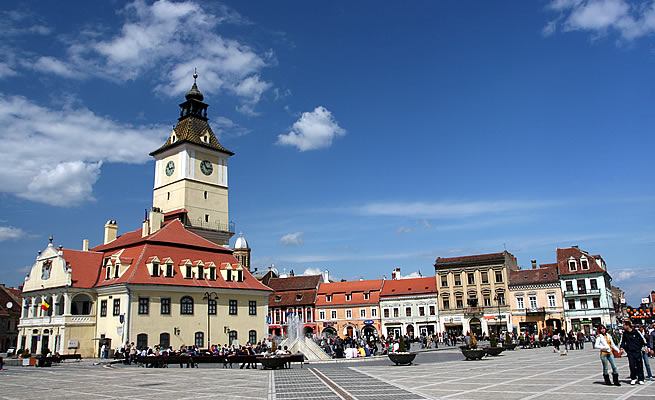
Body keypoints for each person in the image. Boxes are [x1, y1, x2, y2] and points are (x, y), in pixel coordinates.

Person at [620, 320, 647, 385]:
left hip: (637, 351)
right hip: (630, 352)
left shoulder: (636, 332)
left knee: (639, 365)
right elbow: (623, 342)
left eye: (624, 325)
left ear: (627, 325)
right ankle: (634, 378)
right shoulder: (625, 334)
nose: (623, 326)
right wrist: (621, 348)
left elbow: (642, 339)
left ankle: (641, 379)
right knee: (632, 366)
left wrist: (645, 346)